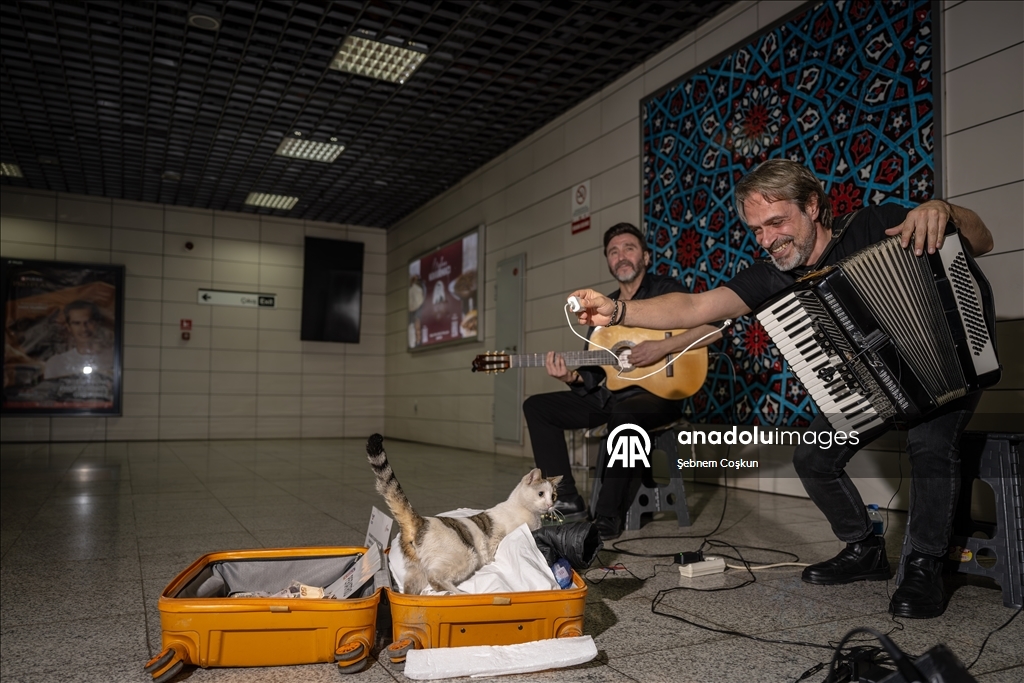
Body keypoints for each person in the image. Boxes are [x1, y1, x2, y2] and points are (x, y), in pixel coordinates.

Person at [568, 160, 994, 618]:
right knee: (812, 457)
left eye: (777, 222)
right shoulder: (771, 275)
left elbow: (983, 241)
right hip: (873, 383)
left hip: (950, 364)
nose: (768, 239)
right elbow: (696, 306)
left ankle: (925, 564)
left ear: (812, 206)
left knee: (928, 444)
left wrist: (942, 210)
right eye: (757, 230)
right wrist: (617, 311)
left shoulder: (878, 222)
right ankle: (865, 548)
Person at [523, 222, 717, 541]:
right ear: (609, 262)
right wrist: (571, 376)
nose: (621, 256)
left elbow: (711, 327)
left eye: (628, 248)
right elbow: (596, 375)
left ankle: (608, 518)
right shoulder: (604, 311)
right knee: (538, 407)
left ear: (646, 256)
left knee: (623, 418)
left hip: (661, 398)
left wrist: (662, 346)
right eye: (613, 251)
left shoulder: (667, 290)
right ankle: (567, 498)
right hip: (614, 397)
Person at [44, 300, 114, 380]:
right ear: (69, 327)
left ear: (97, 323)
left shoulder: (113, 358)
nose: (84, 328)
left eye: (89, 322)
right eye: (77, 323)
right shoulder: (56, 363)